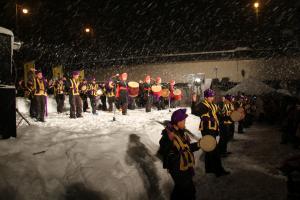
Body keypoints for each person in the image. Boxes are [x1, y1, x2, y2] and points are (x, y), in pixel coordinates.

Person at [158, 109, 201, 200]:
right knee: (189, 191)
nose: (184, 122)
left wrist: (198, 145)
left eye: (184, 120)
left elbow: (186, 148)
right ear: (177, 122)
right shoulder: (168, 134)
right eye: (182, 121)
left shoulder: (182, 132)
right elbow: (163, 148)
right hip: (177, 168)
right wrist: (169, 141)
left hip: (184, 166)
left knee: (180, 190)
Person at [191, 89, 230, 177]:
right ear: (205, 97)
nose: (212, 98)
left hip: (213, 129)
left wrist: (227, 117)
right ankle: (218, 170)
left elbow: (218, 115)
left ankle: (209, 168)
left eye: (212, 96)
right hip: (206, 130)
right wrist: (193, 101)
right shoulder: (202, 105)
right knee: (215, 150)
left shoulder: (213, 105)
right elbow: (194, 112)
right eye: (210, 96)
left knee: (209, 149)